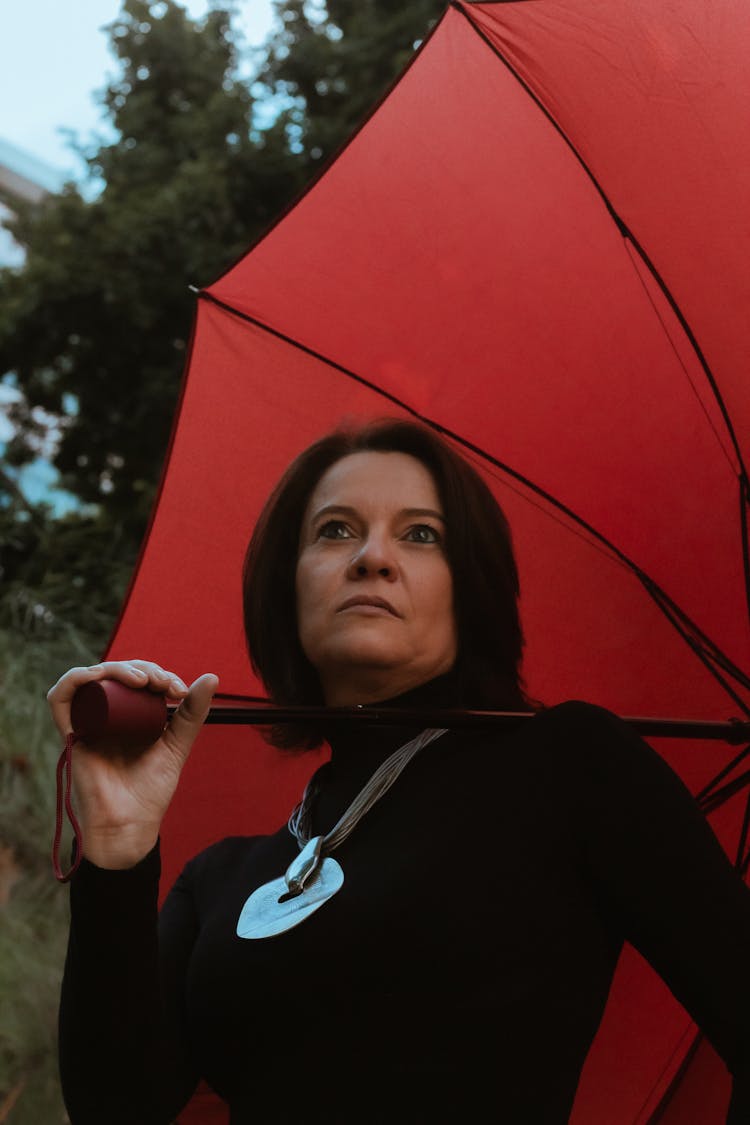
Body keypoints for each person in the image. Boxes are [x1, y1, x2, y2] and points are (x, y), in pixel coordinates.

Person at [49, 417, 750, 1124]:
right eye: (334, 530)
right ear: (286, 588)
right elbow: (113, 1108)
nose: (373, 558)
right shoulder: (223, 879)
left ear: (468, 585)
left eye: (420, 534)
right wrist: (116, 849)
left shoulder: (571, 765)